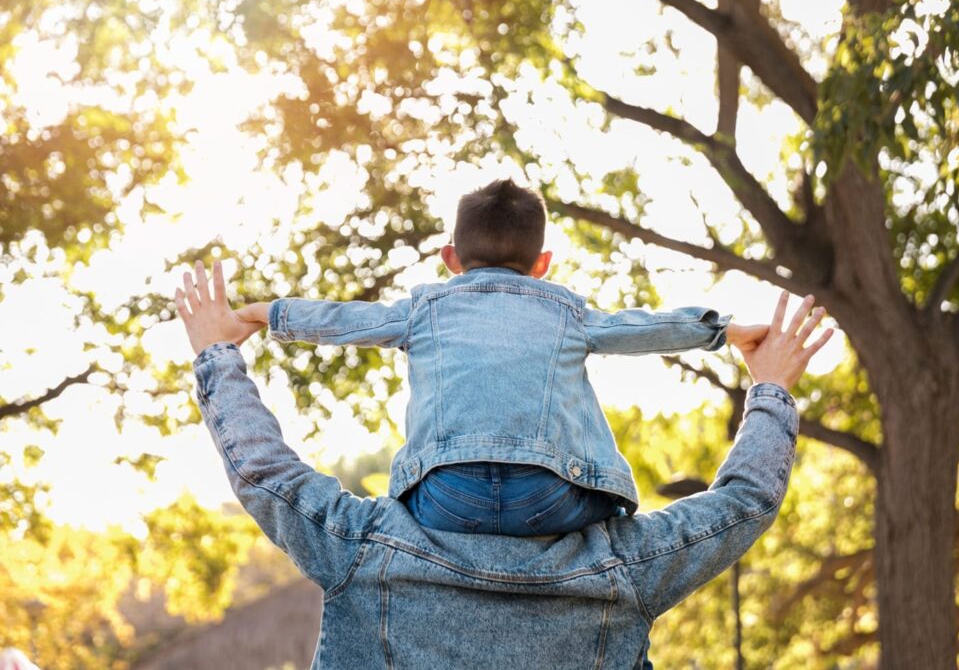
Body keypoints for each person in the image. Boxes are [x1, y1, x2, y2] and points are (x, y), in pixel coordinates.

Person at [174, 258, 832, 668]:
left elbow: (263, 472)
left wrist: (217, 353)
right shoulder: (621, 570)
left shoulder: (363, 550)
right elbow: (746, 501)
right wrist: (770, 384)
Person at [228, 179, 770, 536]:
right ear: (543, 264)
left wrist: (260, 314)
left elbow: (344, 319)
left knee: (412, 508)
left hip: (446, 499)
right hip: (548, 498)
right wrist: (725, 331)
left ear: (450, 259)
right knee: (611, 520)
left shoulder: (424, 308)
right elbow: (640, 328)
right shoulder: (565, 310)